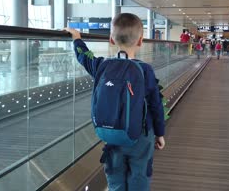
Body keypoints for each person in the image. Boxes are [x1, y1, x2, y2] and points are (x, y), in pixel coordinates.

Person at [65, 13, 165, 191]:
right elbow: (156, 105)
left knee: (115, 176)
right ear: (141, 41)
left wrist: (77, 39)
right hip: (141, 136)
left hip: (112, 134)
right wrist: (160, 133)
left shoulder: (102, 66)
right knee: (140, 174)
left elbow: (84, 57)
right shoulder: (145, 70)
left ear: (111, 40)